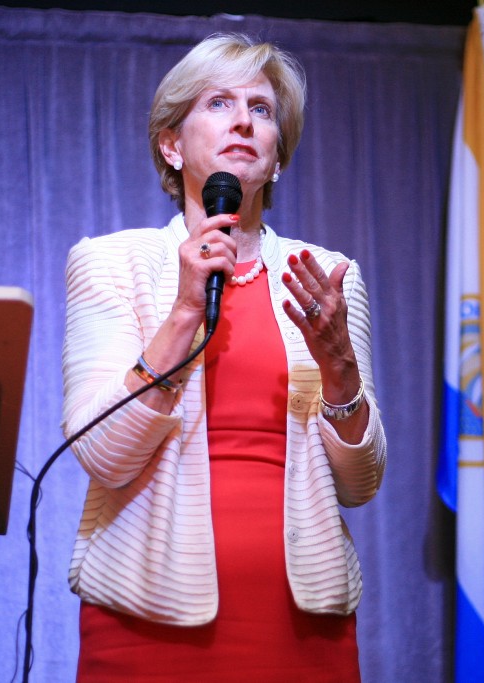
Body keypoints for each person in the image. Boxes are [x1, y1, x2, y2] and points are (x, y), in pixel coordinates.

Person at [59, 33, 387, 682]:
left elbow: (361, 484)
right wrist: (183, 315)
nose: (243, 119)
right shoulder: (110, 265)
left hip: (302, 630)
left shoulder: (329, 274)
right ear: (172, 144)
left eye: (261, 110)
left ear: (277, 158)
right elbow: (103, 454)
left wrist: (341, 374)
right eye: (218, 102)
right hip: (145, 622)